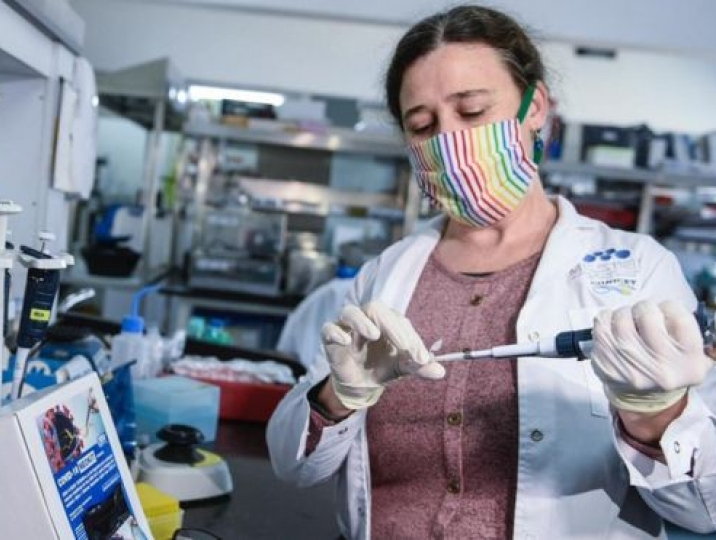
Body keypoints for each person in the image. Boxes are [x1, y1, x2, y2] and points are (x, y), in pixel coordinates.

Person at [266, 5, 716, 539]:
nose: (450, 142)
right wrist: (338, 395)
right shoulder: (384, 274)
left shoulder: (640, 269)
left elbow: (703, 511)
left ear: (535, 107)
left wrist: (655, 416)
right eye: (423, 125)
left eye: (473, 111)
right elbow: (293, 466)